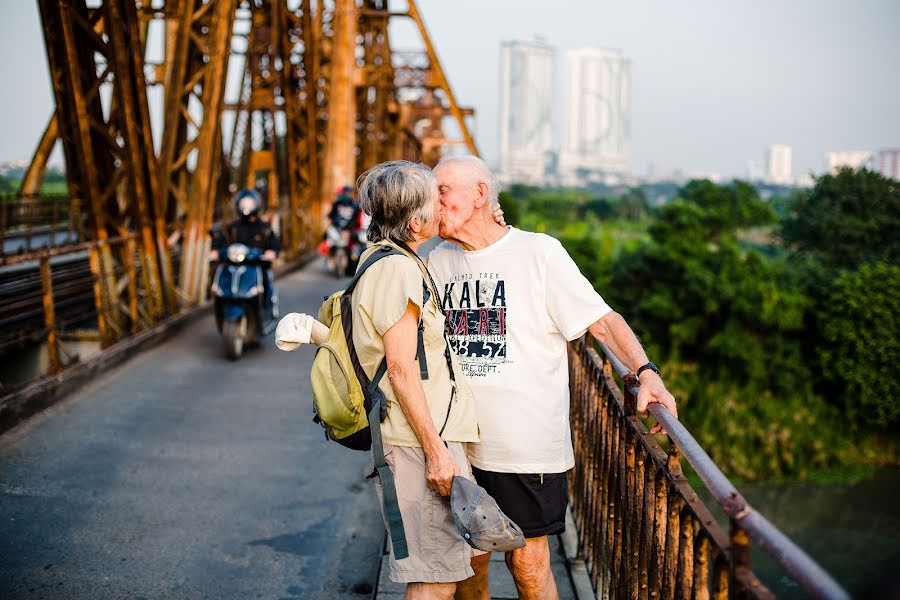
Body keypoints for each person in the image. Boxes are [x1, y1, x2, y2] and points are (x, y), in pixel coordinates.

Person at [427, 156, 679, 600]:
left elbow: (601, 320)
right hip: (459, 443)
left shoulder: (538, 253)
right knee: (468, 559)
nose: (433, 200)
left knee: (528, 561)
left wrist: (646, 373)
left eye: (442, 189)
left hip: (526, 446)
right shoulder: (436, 259)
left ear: (480, 194)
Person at [352, 161, 481, 599]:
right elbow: (402, 368)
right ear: (415, 220)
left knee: (439, 571)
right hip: (415, 444)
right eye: (433, 200)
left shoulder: (386, 259)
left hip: (415, 438)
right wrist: (436, 452)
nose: (441, 206)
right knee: (434, 579)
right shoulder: (398, 270)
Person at [210, 188, 280, 306]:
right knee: (217, 273)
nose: (246, 207)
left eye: (249, 203)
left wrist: (271, 252)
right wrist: (216, 251)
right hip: (234, 265)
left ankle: (264, 307)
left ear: (256, 204)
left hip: (256, 265)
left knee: (265, 278)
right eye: (243, 203)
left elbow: (273, 243)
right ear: (238, 204)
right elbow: (221, 242)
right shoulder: (231, 227)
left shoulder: (264, 228)